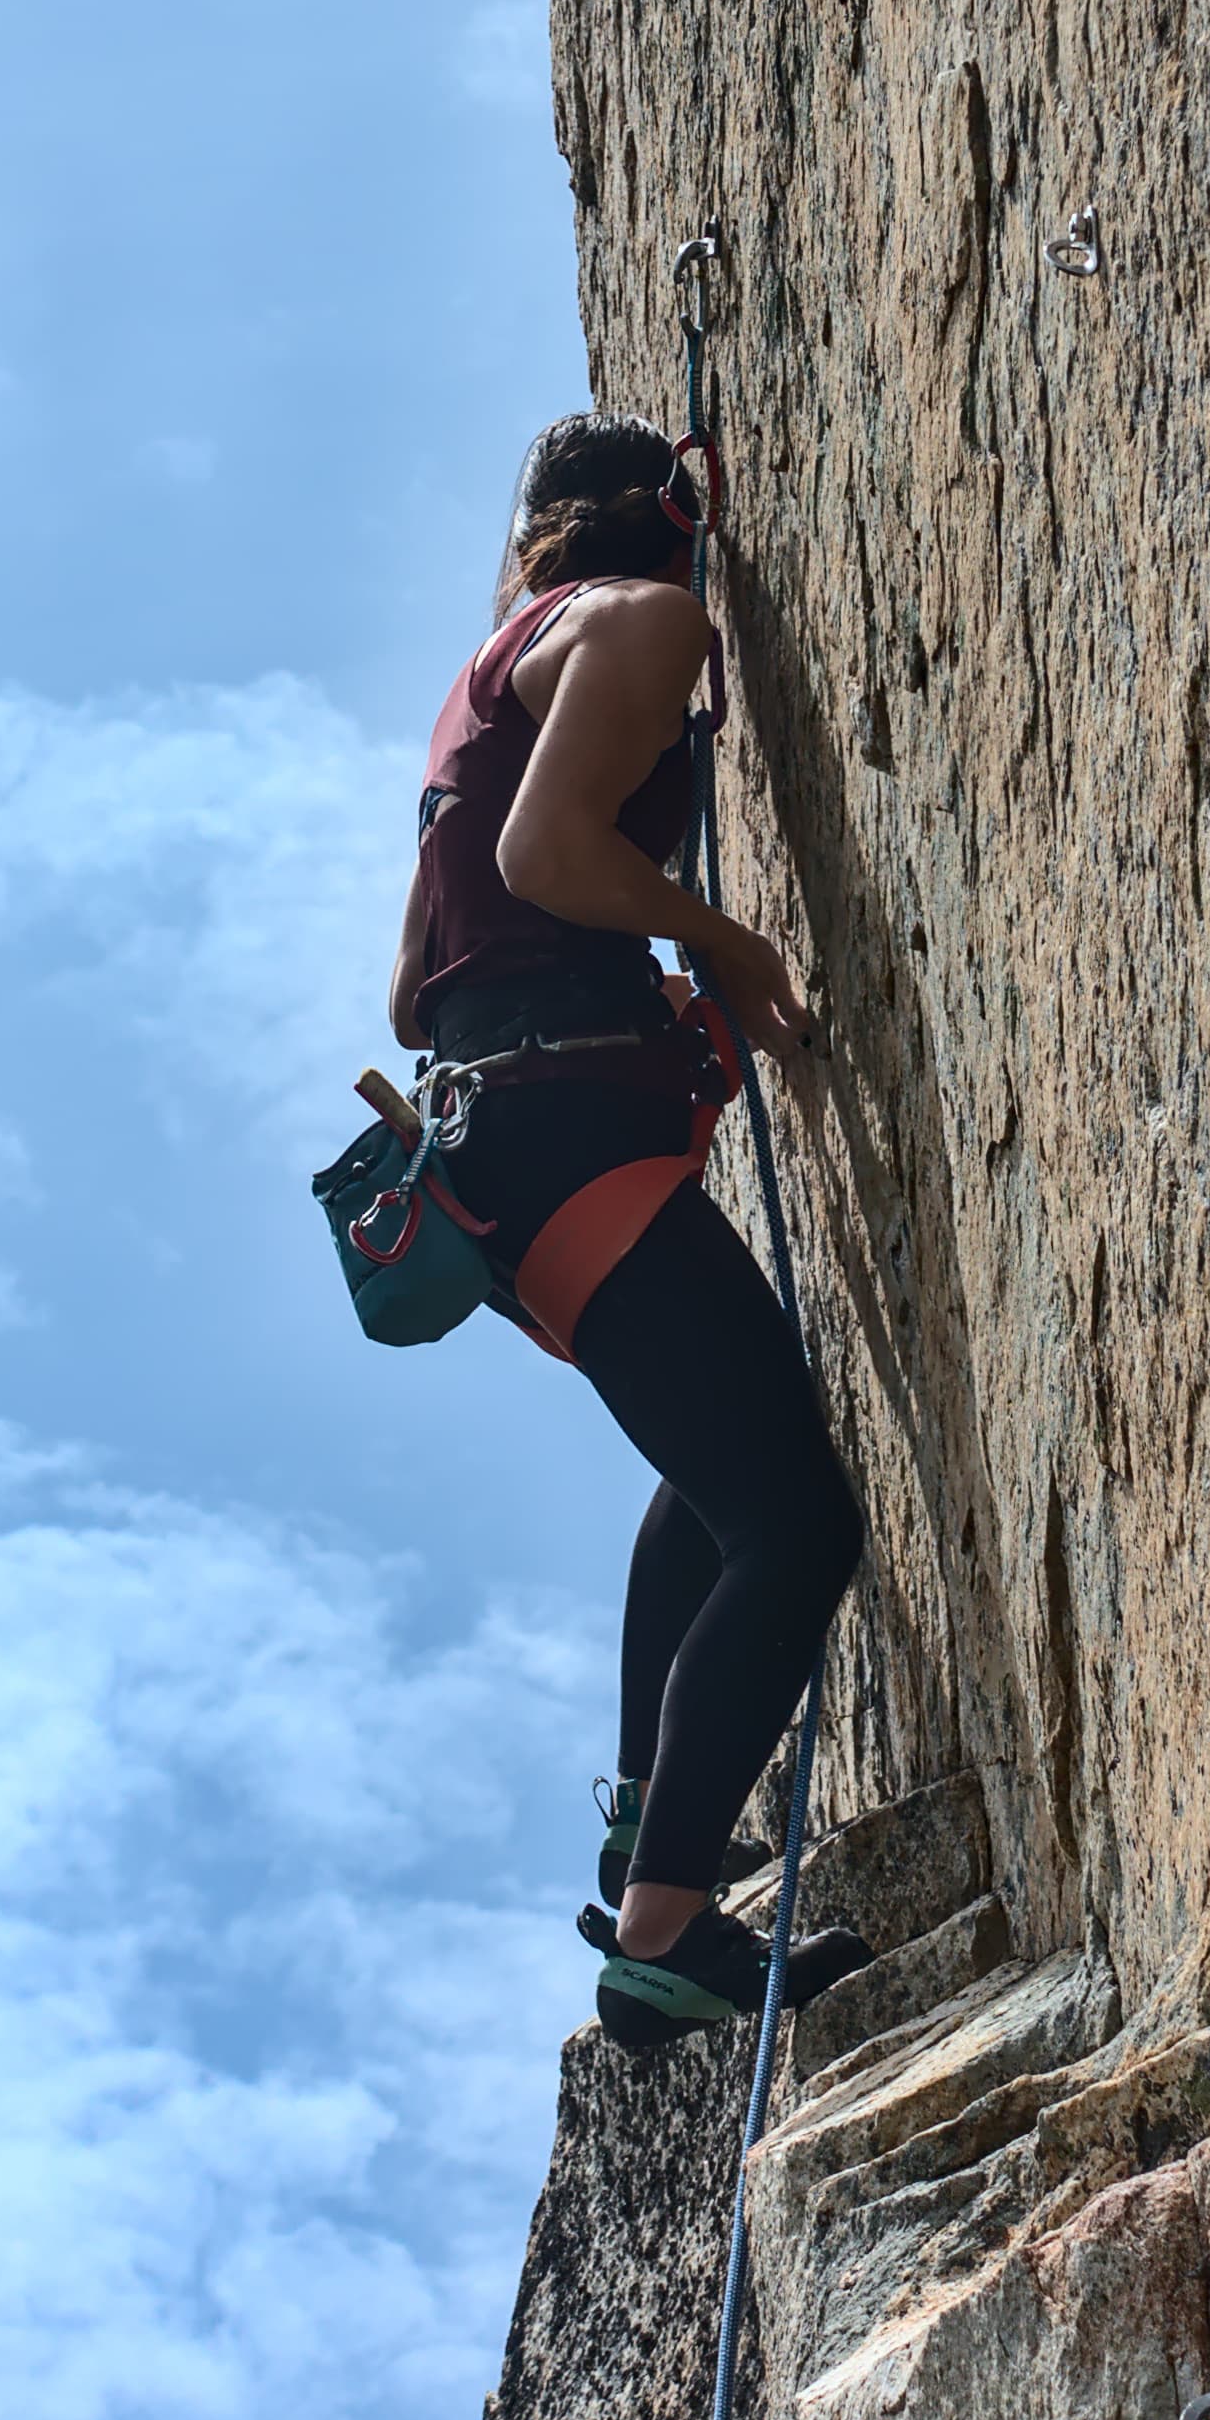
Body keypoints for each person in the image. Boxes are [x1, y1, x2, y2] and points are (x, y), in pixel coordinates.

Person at [390, 413, 867, 2056]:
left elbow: (417, 979)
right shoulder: (646, 624)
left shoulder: (483, 681)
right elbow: (552, 853)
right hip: (567, 1131)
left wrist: (620, 1001)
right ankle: (664, 1927)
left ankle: (643, 1815)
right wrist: (716, 943)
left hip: (515, 1153)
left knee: (718, 1467)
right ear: (681, 509)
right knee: (798, 1526)